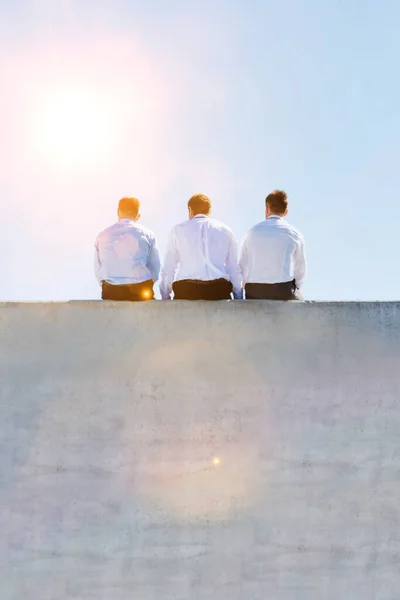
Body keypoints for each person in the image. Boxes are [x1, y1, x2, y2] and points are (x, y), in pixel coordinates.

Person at [160, 194, 242, 300]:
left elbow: (169, 267)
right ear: (209, 210)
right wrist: (238, 297)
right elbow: (233, 268)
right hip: (218, 290)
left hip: (186, 290)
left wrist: (165, 297)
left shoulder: (178, 230)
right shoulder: (226, 231)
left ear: (190, 210)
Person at [239, 190, 306, 300]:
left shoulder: (251, 232)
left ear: (267, 208)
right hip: (282, 290)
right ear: (286, 212)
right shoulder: (295, 234)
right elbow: (300, 268)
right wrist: (295, 287)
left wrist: (245, 288)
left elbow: (242, 266)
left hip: (254, 291)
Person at [94, 197, 160, 301]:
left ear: (118, 212)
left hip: (111, 291)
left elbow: (98, 269)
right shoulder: (148, 234)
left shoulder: (102, 236)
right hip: (141, 290)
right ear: (138, 216)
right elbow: (155, 269)